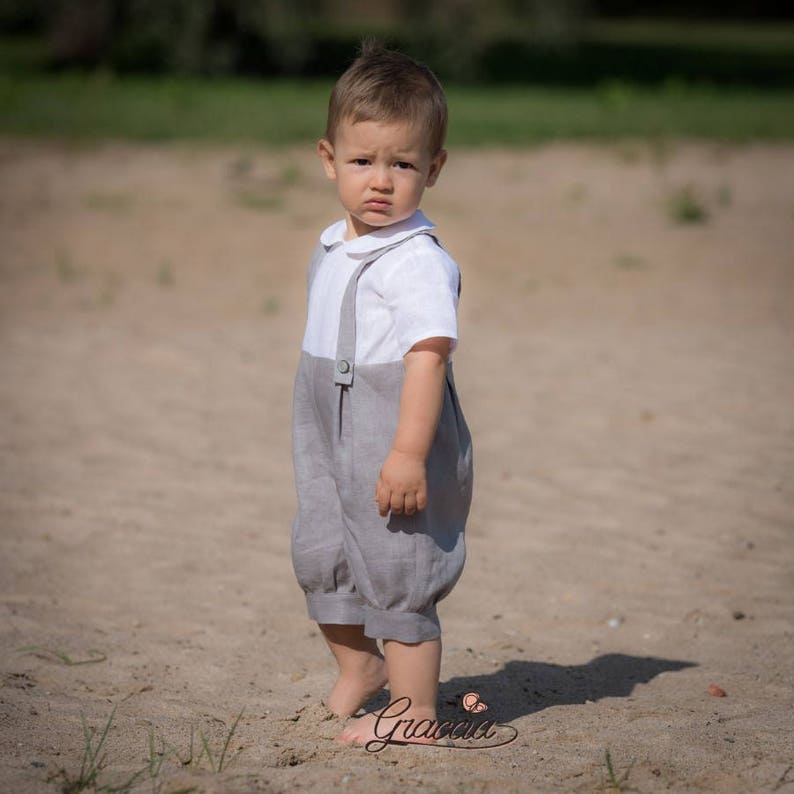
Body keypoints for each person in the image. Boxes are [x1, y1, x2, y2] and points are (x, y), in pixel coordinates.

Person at [290, 40, 473, 746]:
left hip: (393, 422)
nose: (381, 181)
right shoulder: (335, 243)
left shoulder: (418, 262)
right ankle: (360, 669)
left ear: (434, 168)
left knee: (400, 564)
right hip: (323, 422)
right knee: (322, 549)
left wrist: (405, 452)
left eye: (402, 164)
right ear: (330, 159)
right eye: (363, 161)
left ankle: (415, 713)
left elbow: (427, 360)